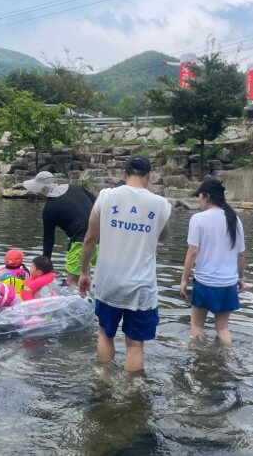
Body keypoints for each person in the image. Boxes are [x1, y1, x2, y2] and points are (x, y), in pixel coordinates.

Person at [78, 155, 171, 373]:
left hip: (109, 282)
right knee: (136, 346)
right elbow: (163, 236)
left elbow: (90, 237)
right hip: (141, 287)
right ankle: (131, 392)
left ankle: (105, 381)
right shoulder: (161, 205)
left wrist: (84, 272)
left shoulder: (106, 196)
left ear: (124, 174)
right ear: (149, 176)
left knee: (105, 333)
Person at [179, 177, 246, 345]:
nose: (199, 200)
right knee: (223, 328)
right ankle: (227, 359)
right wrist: (240, 279)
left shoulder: (198, 219)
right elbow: (240, 255)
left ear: (206, 196)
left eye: (199, 196)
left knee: (196, 325)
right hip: (228, 283)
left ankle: (197, 360)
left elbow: (192, 251)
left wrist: (184, 279)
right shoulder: (235, 220)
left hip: (205, 282)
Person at [23, 171, 98, 286]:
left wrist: (44, 267)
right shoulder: (77, 188)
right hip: (100, 240)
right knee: (85, 275)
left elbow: (49, 239)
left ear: (41, 192)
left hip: (81, 243)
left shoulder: (49, 209)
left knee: (72, 282)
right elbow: (97, 205)